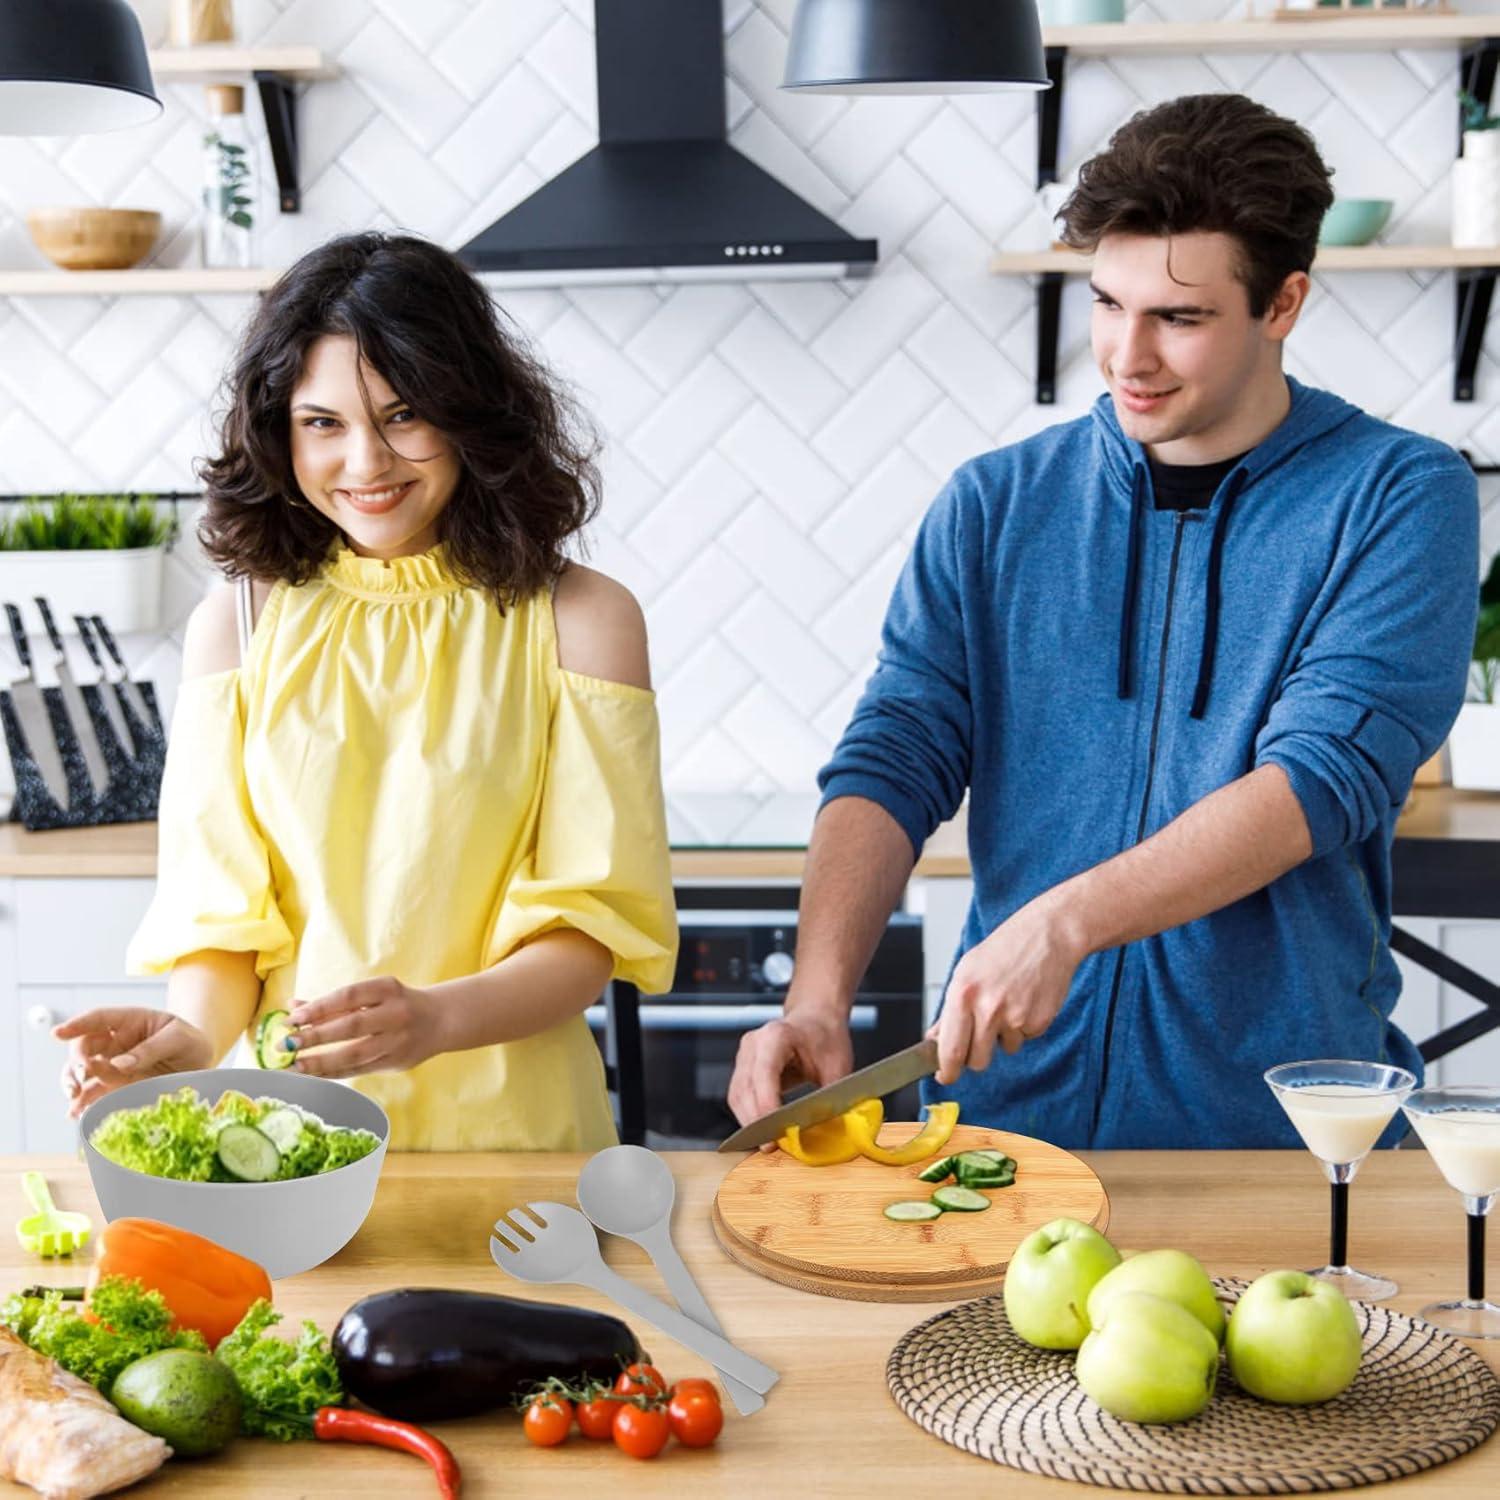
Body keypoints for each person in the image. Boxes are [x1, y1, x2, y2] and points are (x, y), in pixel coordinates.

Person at [727, 93, 1478, 1150]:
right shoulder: (997, 505)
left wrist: (1065, 922)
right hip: (1006, 1135)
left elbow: (1320, 779)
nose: (1128, 355)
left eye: (1179, 317)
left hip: (1277, 1140)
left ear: (1284, 304)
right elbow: (897, 753)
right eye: (1107, 303)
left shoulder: (1398, 496)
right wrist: (816, 997)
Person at [56, 232, 678, 1151]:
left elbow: (587, 933)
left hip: (512, 1147)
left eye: (404, 415)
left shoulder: (581, 618)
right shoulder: (238, 622)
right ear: (278, 431)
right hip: (284, 1142)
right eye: (323, 423)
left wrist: (434, 1020)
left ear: (472, 413)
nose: (366, 462)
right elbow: (223, 917)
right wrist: (188, 1038)